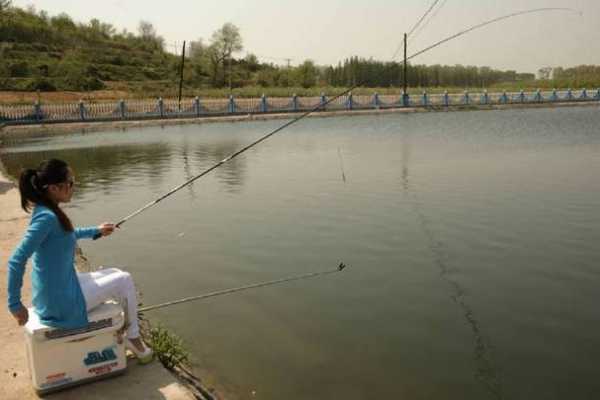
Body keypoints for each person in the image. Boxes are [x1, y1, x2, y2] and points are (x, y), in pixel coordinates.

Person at [6, 159, 152, 363]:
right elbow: (16, 260)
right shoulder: (46, 218)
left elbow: (67, 234)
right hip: (60, 304)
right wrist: (14, 305)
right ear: (55, 188)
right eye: (71, 182)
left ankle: (126, 329)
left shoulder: (47, 211)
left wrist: (97, 231)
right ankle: (134, 338)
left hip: (56, 293)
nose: (74, 186)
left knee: (115, 273)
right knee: (125, 279)